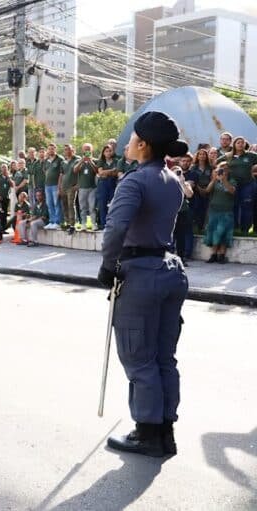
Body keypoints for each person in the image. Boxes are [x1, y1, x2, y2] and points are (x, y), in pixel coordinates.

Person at [98, 111, 189, 457]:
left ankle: (147, 433)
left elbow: (116, 229)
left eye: (133, 137)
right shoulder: (172, 179)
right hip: (170, 269)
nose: (127, 143)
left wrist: (108, 267)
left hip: (141, 272)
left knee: (139, 357)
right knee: (164, 356)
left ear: (144, 144)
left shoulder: (134, 181)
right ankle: (165, 431)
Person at [217, 136, 257, 234]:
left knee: (247, 207)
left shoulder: (251, 155)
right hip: (233, 185)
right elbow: (216, 162)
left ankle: (245, 229)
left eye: (242, 142)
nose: (240, 144)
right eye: (238, 142)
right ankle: (234, 228)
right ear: (234, 144)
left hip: (248, 184)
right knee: (233, 206)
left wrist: (254, 169)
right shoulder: (228, 155)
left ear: (245, 144)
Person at [203, 162, 237, 263]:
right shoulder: (215, 181)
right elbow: (207, 191)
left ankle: (222, 255)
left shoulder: (232, 180)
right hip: (214, 211)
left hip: (226, 212)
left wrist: (224, 180)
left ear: (228, 170)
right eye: (221, 169)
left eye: (226, 169)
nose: (223, 171)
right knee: (213, 232)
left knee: (224, 233)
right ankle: (213, 255)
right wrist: (214, 179)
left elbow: (232, 191)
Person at [171, 166, 195, 266]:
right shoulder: (167, 183)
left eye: (180, 172)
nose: (178, 174)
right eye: (176, 173)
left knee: (181, 237)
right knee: (170, 236)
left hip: (182, 212)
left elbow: (189, 194)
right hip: (171, 213)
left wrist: (182, 182)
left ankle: (181, 258)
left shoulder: (185, 184)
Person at [74, 143, 98, 230]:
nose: (87, 151)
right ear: (82, 150)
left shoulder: (95, 160)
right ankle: (83, 223)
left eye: (88, 149)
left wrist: (90, 161)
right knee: (83, 207)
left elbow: (97, 171)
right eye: (85, 149)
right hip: (82, 188)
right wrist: (82, 161)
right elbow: (75, 170)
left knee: (92, 207)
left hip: (92, 187)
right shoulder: (78, 161)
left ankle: (94, 223)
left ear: (92, 150)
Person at [42, 143, 64, 230]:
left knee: (57, 203)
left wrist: (59, 186)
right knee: (49, 203)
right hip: (47, 185)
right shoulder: (46, 160)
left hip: (56, 185)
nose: (51, 150)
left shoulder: (60, 159)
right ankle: (51, 221)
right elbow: (45, 171)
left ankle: (57, 222)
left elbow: (62, 173)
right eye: (49, 149)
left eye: (52, 149)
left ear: (55, 149)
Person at [60, 144, 80, 228]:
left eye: (68, 149)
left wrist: (78, 185)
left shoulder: (77, 159)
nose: (66, 151)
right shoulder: (63, 162)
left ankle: (72, 224)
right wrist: (59, 187)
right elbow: (61, 175)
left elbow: (79, 172)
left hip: (72, 187)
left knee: (71, 205)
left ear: (73, 150)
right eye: (65, 150)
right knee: (64, 205)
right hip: (63, 187)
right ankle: (67, 222)